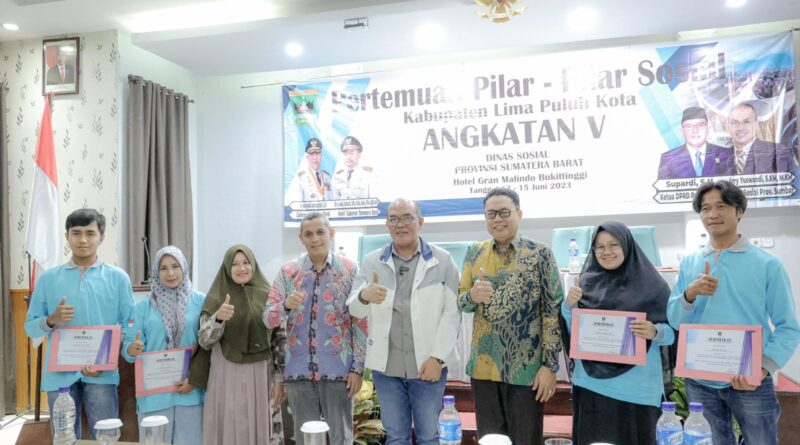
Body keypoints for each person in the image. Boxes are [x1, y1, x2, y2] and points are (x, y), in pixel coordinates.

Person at [667, 180, 800, 445]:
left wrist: (762, 368)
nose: (712, 214)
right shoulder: (691, 262)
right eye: (705, 208)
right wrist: (689, 294)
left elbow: (788, 327)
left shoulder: (767, 264)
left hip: (749, 380)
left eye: (721, 206)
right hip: (700, 379)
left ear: (739, 211)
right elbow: (675, 321)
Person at [347, 199, 461, 445]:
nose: (400, 224)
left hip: (428, 366)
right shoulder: (372, 262)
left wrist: (438, 358)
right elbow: (354, 309)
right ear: (387, 225)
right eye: (394, 219)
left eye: (407, 217)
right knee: (396, 437)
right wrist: (365, 295)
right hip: (387, 369)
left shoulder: (442, 261)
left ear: (420, 222)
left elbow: (452, 314)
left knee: (429, 437)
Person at [458, 187, 563, 445]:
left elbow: (552, 312)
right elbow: (461, 302)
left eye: (504, 212)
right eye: (491, 214)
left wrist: (550, 366)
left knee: (526, 439)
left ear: (519, 214)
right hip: (484, 368)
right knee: (490, 439)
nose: (497, 219)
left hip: (526, 370)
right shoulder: (474, 252)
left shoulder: (540, 254)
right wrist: (472, 296)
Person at [24, 208, 135, 440]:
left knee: (105, 437)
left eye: (90, 233)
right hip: (59, 376)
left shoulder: (118, 278)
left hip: (101, 373)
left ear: (102, 237)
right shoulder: (48, 279)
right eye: (76, 233)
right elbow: (30, 327)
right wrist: (51, 320)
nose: (83, 240)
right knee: (63, 438)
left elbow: (128, 325)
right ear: (67, 236)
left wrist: (106, 360)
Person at [561, 221, 674, 445]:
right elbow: (574, 332)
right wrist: (568, 305)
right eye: (600, 246)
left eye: (614, 245)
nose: (607, 252)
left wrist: (655, 331)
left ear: (627, 245)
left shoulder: (654, 286)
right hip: (592, 384)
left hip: (637, 389)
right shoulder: (585, 283)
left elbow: (673, 333)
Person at [264, 212, 368, 444]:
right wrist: (285, 305)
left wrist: (358, 368)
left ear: (331, 234)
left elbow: (360, 322)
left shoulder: (350, 270)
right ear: (301, 238)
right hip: (298, 372)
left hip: (339, 372)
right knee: (305, 438)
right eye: (308, 234)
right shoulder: (288, 272)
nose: (315, 239)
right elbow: (268, 318)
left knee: (341, 437)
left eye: (320, 232)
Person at [187, 245, 284, 445]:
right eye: (235, 264)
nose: (241, 268)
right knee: (230, 424)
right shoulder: (216, 297)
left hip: (262, 374)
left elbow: (279, 339)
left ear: (253, 265)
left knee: (261, 424)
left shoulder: (269, 296)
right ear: (226, 268)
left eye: (246, 262)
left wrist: (279, 379)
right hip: (226, 373)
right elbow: (204, 341)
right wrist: (218, 318)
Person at [122, 246, 206, 445]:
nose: (170, 273)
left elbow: (207, 348)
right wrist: (131, 349)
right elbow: (129, 345)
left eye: (175, 266)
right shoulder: (143, 307)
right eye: (163, 268)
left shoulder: (201, 302)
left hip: (190, 391)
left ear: (184, 268)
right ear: (155, 272)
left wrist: (195, 378)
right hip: (154, 395)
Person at [657, 106, 734, 179]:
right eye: (689, 126)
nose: (695, 130)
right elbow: (664, 187)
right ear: (682, 131)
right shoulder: (668, 158)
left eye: (700, 125)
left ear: (708, 129)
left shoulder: (726, 154)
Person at [727, 102, 794, 174]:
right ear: (727, 126)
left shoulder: (777, 152)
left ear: (756, 124)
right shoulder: (721, 156)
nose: (740, 128)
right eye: (734, 122)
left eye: (746, 122)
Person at [285, 137, 332, 202]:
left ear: (321, 156)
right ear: (307, 157)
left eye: (317, 154)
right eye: (312, 154)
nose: (315, 158)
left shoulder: (327, 177)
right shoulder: (301, 178)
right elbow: (298, 204)